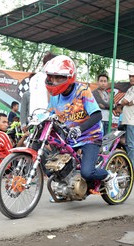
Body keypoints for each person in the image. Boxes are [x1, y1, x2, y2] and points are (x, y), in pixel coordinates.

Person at [44, 55, 119, 198]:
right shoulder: (55, 96)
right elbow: (49, 114)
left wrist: (79, 129)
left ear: (69, 77)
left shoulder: (82, 91)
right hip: (70, 139)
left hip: (90, 137)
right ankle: (66, 187)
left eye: (58, 77)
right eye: (51, 77)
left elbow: (97, 115)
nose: (54, 81)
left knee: (87, 172)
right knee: (53, 167)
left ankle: (109, 176)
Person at [20, 52, 56, 132]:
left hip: (34, 118)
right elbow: (50, 98)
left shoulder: (34, 78)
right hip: (46, 117)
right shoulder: (49, 77)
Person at [116, 69, 134, 172]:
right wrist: (127, 102)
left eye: (133, 76)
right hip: (128, 120)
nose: (131, 78)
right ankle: (130, 165)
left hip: (133, 121)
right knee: (128, 143)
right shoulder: (132, 88)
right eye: (130, 76)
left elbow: (125, 101)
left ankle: (132, 168)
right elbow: (129, 102)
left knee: (131, 144)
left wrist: (125, 103)